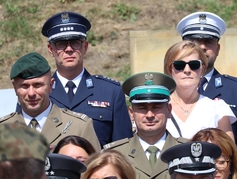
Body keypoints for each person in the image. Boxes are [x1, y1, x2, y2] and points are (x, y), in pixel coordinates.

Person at [41, 11, 133, 146]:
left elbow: (123, 149)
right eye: (61, 43)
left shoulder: (110, 92)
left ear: (85, 47)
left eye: (75, 43)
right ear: (51, 49)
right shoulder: (38, 93)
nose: (68, 49)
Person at [176, 12, 237, 143]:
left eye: (208, 42)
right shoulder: (168, 90)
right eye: (195, 42)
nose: (202, 47)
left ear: (217, 49)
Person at [0, 52, 101, 152]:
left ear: (50, 85)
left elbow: (94, 167)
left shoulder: (79, 127)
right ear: (15, 88)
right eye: (24, 86)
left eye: (38, 85)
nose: (31, 93)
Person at [103, 71, 188, 179]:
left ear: (169, 110)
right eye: (142, 108)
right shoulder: (115, 155)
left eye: (156, 107)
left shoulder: (187, 151)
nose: (149, 115)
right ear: (131, 113)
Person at [164, 40, 236, 141]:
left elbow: (228, 153)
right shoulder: (157, 109)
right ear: (169, 69)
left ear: (202, 70)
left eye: (194, 65)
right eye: (179, 65)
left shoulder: (218, 109)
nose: (187, 70)